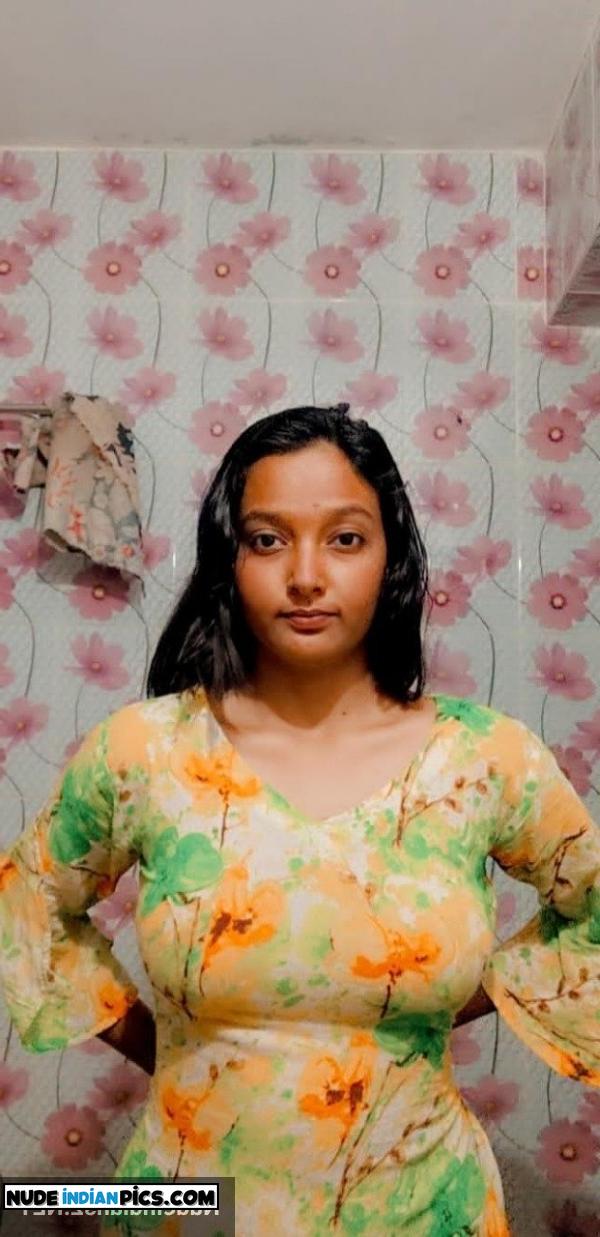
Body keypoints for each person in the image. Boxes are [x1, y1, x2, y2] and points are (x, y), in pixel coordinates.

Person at [0, 402, 599, 1237]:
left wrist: (446, 1004)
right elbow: (27, 901)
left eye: (345, 538)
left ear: (392, 557)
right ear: (229, 558)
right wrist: (165, 1042)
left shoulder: (487, 759)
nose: (307, 574)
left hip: (423, 1210)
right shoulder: (143, 750)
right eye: (267, 538)